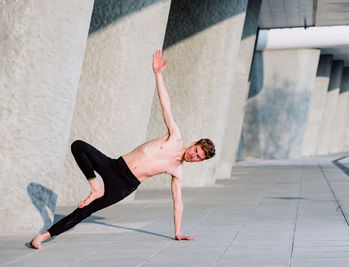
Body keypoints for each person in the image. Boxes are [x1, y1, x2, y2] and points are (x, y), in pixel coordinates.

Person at [30, 50, 215, 249]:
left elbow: (178, 203)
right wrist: (158, 74)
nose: (193, 155)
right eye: (196, 150)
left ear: (199, 161)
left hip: (124, 186)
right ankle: (95, 187)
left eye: (198, 158)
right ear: (194, 143)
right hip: (114, 165)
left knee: (84, 211)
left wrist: (177, 232)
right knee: (78, 146)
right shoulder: (175, 136)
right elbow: (165, 105)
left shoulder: (177, 171)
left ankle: (43, 236)